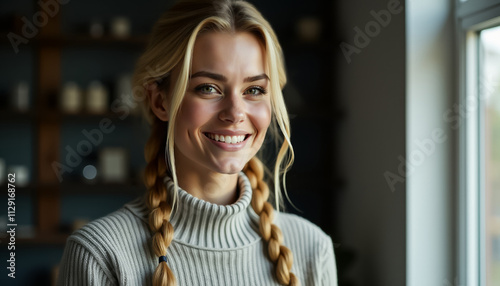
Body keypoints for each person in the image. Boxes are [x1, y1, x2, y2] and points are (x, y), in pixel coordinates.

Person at [57, 0, 338, 285]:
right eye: (208, 88)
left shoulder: (312, 249)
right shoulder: (100, 254)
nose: (235, 113)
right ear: (160, 101)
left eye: (254, 89)